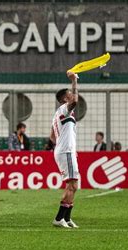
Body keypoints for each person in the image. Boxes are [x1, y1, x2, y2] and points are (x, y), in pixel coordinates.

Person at [50, 71, 80, 229]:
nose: (72, 94)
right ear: (64, 99)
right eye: (69, 93)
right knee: (71, 185)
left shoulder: (58, 114)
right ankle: (59, 218)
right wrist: (74, 81)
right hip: (66, 151)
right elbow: (75, 101)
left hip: (66, 150)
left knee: (74, 185)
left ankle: (67, 219)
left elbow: (52, 137)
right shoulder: (64, 109)